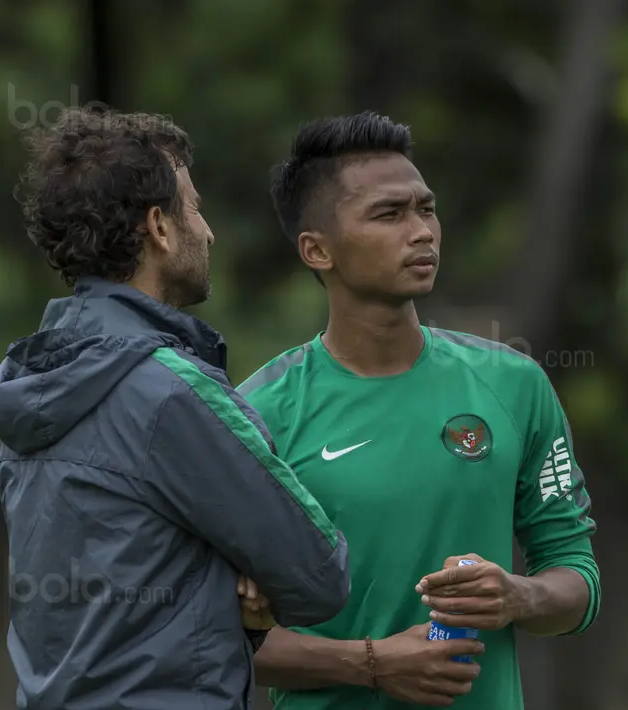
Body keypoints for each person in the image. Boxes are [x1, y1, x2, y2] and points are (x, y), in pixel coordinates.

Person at [237, 111, 601, 709]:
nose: (423, 231)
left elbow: (575, 578)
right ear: (317, 250)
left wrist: (518, 597)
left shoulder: (515, 385)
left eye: (426, 209)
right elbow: (229, 641)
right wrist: (373, 666)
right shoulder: (257, 415)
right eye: (389, 214)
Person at [0, 106, 350, 710]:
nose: (207, 230)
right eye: (195, 207)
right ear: (159, 227)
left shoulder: (29, 381)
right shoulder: (169, 391)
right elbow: (321, 577)